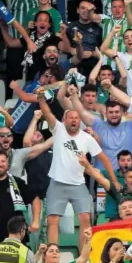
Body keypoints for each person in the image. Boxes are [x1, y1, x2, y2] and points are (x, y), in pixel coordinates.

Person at [36, 86, 117, 251]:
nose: (74, 120)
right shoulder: (57, 129)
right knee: (52, 220)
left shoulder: (87, 138)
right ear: (65, 120)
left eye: (77, 118)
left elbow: (104, 159)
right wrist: (40, 98)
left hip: (78, 184)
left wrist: (113, 180)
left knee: (86, 219)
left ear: (80, 121)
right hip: (57, 183)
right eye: (70, 117)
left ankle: (83, 256)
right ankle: (53, 255)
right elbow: (47, 112)